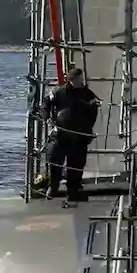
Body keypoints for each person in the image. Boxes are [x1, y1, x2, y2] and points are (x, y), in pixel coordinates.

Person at [42, 66, 100, 203]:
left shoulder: (88, 95)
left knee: (76, 165)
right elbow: (45, 104)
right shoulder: (59, 92)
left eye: (79, 79)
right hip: (61, 133)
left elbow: (93, 113)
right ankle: (53, 186)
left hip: (79, 135)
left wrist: (87, 130)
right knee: (54, 159)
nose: (78, 81)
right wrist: (47, 117)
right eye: (75, 79)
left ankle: (73, 191)